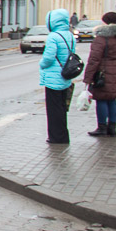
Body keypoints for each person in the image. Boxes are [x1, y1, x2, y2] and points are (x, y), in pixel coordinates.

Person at [82, 12, 116, 137]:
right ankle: (112, 127)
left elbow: (94, 59)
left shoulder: (101, 38)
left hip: (103, 73)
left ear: (105, 22)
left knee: (101, 99)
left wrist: (88, 77)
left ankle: (102, 127)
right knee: (112, 99)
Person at [39, 8, 76, 144]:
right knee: (61, 108)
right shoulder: (70, 35)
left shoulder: (53, 36)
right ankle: (63, 135)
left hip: (53, 78)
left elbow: (48, 58)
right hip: (66, 76)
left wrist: (41, 64)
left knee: (53, 110)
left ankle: (56, 137)